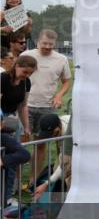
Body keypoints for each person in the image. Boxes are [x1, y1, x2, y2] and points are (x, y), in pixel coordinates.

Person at [23, 30, 72, 180]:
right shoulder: (26, 55)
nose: (47, 47)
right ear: (38, 41)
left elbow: (66, 81)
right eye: (44, 43)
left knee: (41, 145)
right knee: (22, 144)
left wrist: (58, 95)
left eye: (51, 44)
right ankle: (16, 184)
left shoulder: (61, 59)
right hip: (25, 106)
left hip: (47, 108)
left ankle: (33, 180)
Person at [31, 114, 70, 200]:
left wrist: (46, 184)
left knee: (67, 174)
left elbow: (65, 164)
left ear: (58, 128)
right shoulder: (58, 124)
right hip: (66, 147)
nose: (50, 137)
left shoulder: (68, 135)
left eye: (52, 134)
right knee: (56, 169)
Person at [1, 55, 37, 141]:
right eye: (25, 72)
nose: (27, 75)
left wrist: (26, 127)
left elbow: (23, 106)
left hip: (13, 118)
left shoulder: (26, 82)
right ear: (16, 66)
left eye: (30, 73)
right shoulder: (3, 79)